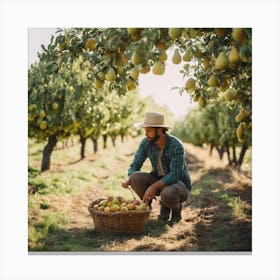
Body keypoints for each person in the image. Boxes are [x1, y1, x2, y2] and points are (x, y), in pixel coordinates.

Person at [122, 112, 192, 224]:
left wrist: (154, 186)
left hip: (178, 184)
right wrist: (130, 177)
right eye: (146, 131)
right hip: (158, 178)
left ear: (159, 130)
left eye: (149, 131)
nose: (146, 134)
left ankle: (176, 209)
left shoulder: (176, 145)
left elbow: (175, 174)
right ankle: (146, 208)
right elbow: (135, 164)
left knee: (167, 193)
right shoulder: (147, 142)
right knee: (135, 178)